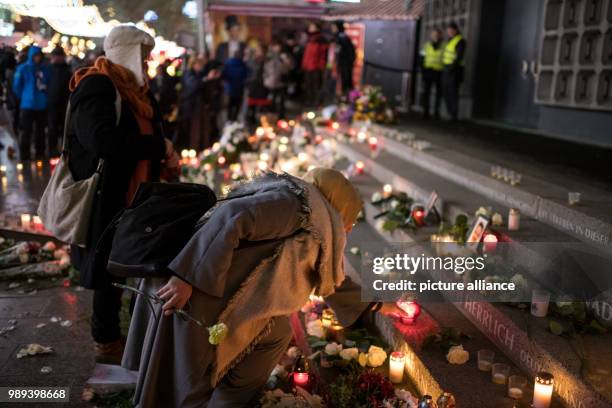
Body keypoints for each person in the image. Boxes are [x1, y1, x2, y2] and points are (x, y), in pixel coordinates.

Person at [122, 168, 404, 407]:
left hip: (225, 293)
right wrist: (188, 276)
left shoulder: (314, 220)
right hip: (203, 291)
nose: (350, 229)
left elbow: (328, 276)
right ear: (338, 206)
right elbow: (232, 215)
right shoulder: (296, 205)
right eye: (350, 219)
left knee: (276, 331)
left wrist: (376, 305)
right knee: (188, 384)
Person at [66, 24, 179, 365]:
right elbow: (101, 141)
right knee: (109, 272)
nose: (146, 63)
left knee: (143, 267)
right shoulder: (98, 86)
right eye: (142, 56)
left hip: (143, 195)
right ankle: (106, 342)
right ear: (126, 52)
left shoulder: (139, 93)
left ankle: (139, 335)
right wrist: (158, 146)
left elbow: (153, 130)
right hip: (110, 195)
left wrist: (165, 154)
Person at [12, 45, 49, 160]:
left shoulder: (45, 69)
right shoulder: (23, 68)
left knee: (40, 131)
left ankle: (40, 153)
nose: (37, 58)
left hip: (41, 105)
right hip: (27, 105)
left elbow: (49, 84)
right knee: (26, 130)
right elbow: (17, 86)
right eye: (35, 56)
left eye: (39, 56)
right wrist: (24, 97)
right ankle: (25, 154)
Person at [47, 46, 72, 156]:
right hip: (52, 102)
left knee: (64, 128)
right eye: (55, 56)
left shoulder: (68, 69)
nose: (57, 58)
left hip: (64, 103)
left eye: (59, 56)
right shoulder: (48, 69)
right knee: (52, 127)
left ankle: (64, 149)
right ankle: (52, 149)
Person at [263, 39, 293, 119]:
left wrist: (286, 62)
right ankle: (270, 116)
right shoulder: (268, 56)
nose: (276, 48)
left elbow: (289, 68)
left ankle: (281, 116)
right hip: (271, 81)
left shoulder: (284, 55)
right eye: (274, 46)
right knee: (271, 100)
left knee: (281, 100)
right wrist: (266, 78)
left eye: (277, 45)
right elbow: (265, 69)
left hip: (282, 81)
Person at [442, 22, 466, 120]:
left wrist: (451, 68)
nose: (449, 32)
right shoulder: (449, 40)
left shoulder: (460, 41)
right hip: (446, 69)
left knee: (453, 92)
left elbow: (459, 57)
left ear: (456, 30)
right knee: (446, 91)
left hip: (455, 70)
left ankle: (453, 114)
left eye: (451, 30)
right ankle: (449, 112)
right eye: (448, 30)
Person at [302, 23, 328, 108]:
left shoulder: (321, 40)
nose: (310, 28)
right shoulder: (310, 39)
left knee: (316, 86)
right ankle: (309, 102)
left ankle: (316, 103)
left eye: (312, 27)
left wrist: (321, 66)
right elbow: (307, 54)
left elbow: (323, 55)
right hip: (308, 66)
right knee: (308, 85)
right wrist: (304, 64)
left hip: (316, 67)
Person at [421, 28, 444, 119]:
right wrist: (423, 70)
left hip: (439, 72)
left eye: (437, 34)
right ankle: (425, 111)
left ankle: (436, 112)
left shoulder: (444, 46)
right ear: (431, 35)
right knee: (426, 92)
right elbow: (421, 58)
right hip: (428, 71)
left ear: (440, 35)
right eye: (434, 34)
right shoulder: (426, 46)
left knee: (439, 93)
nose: (436, 36)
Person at [245, 44, 269, 127]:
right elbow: (248, 71)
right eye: (256, 50)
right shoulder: (252, 60)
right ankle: (250, 119)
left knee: (262, 105)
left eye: (259, 50)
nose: (257, 52)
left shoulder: (266, 60)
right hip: (253, 85)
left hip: (263, 85)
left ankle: (262, 121)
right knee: (251, 105)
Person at [221, 51, 249, 122]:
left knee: (230, 105)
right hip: (239, 88)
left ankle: (229, 119)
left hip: (230, 88)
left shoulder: (228, 63)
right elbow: (246, 75)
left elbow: (224, 75)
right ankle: (234, 119)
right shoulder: (243, 65)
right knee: (237, 105)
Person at [331, 20, 356, 95]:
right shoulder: (338, 36)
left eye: (333, 27)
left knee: (346, 80)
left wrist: (349, 61)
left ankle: (347, 97)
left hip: (345, 63)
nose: (332, 28)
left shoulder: (342, 37)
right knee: (342, 80)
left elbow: (349, 51)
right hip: (342, 63)